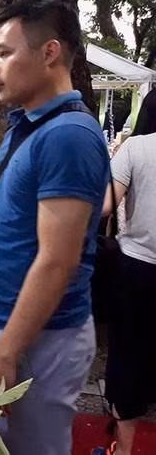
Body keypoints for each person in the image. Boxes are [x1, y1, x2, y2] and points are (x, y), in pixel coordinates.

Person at [0, 0, 109, 455]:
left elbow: (57, 261)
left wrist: (7, 350)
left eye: (4, 53)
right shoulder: (31, 126)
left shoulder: (69, 135)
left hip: (40, 340)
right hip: (9, 329)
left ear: (49, 53)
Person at [102, 130, 156, 455]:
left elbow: (106, 204)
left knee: (128, 356)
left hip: (139, 268)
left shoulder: (136, 147)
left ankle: (123, 450)